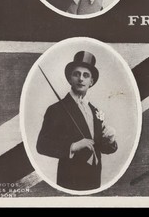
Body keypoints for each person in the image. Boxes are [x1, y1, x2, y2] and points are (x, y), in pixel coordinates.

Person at [37, 50, 118, 191]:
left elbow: (100, 147)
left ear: (91, 82)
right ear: (70, 78)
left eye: (86, 75)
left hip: (94, 178)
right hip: (70, 178)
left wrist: (110, 140)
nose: (81, 79)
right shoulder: (56, 109)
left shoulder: (95, 111)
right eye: (77, 74)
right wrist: (73, 146)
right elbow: (42, 145)